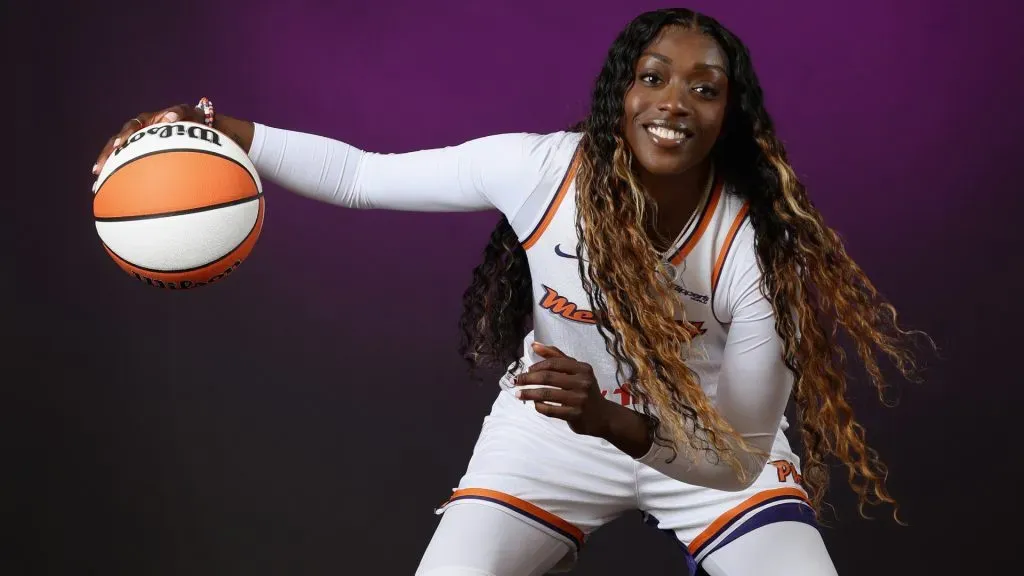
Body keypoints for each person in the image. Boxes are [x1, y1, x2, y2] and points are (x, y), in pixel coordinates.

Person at [93, 8, 929, 576]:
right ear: (621, 95)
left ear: (729, 118)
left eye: (704, 89)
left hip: (707, 442)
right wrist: (210, 130)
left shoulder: (759, 254)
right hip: (550, 434)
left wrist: (609, 416)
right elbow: (357, 174)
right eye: (653, 78)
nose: (674, 102)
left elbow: (739, 455)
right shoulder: (539, 170)